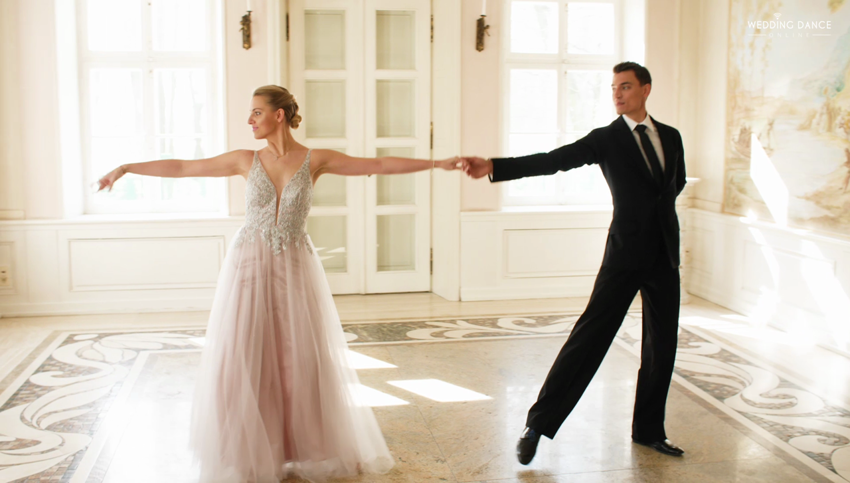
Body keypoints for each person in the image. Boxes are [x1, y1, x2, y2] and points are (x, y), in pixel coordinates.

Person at [97, 85, 460, 482]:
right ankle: (249, 450)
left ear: (279, 115)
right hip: (249, 265)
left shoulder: (314, 159)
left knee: (297, 356)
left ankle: (305, 447)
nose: (249, 120)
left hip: (294, 266)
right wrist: (126, 168)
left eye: (256, 112)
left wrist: (439, 163)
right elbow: (185, 168)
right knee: (245, 352)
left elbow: (377, 163)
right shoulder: (245, 160)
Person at [462, 62, 687, 463]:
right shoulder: (606, 139)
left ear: (646, 89)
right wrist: (496, 166)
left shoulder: (670, 136)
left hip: (665, 254)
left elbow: (675, 184)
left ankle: (649, 430)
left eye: (626, 86)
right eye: (614, 87)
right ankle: (538, 425)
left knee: (662, 346)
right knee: (589, 339)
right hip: (625, 253)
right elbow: (553, 160)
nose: (617, 93)